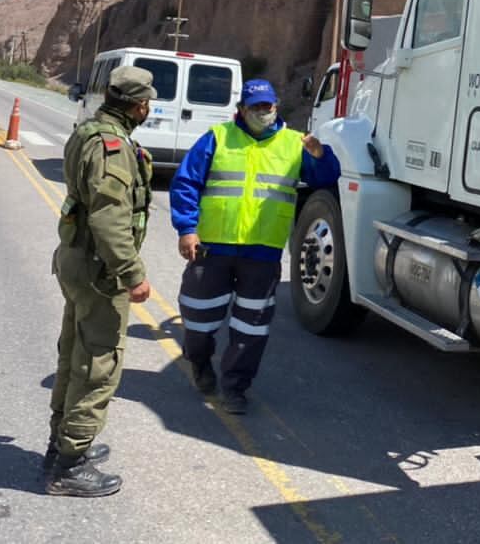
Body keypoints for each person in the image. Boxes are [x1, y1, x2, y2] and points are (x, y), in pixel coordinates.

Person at [170, 78, 340, 414]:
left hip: (262, 252)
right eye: (257, 107)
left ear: (276, 107)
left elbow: (325, 178)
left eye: (269, 106)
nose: (264, 112)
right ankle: (201, 365)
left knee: (251, 327)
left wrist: (322, 156)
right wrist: (187, 229)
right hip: (213, 248)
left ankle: (235, 388)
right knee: (198, 319)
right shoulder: (218, 138)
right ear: (242, 110)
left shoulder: (295, 144)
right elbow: (186, 183)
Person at [45, 65, 155, 497]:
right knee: (98, 365)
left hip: (76, 259)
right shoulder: (111, 146)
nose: (148, 109)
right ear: (137, 104)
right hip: (97, 268)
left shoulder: (90, 130)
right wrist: (132, 274)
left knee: (74, 354)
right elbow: (109, 217)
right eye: (148, 103)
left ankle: (63, 443)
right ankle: (68, 466)